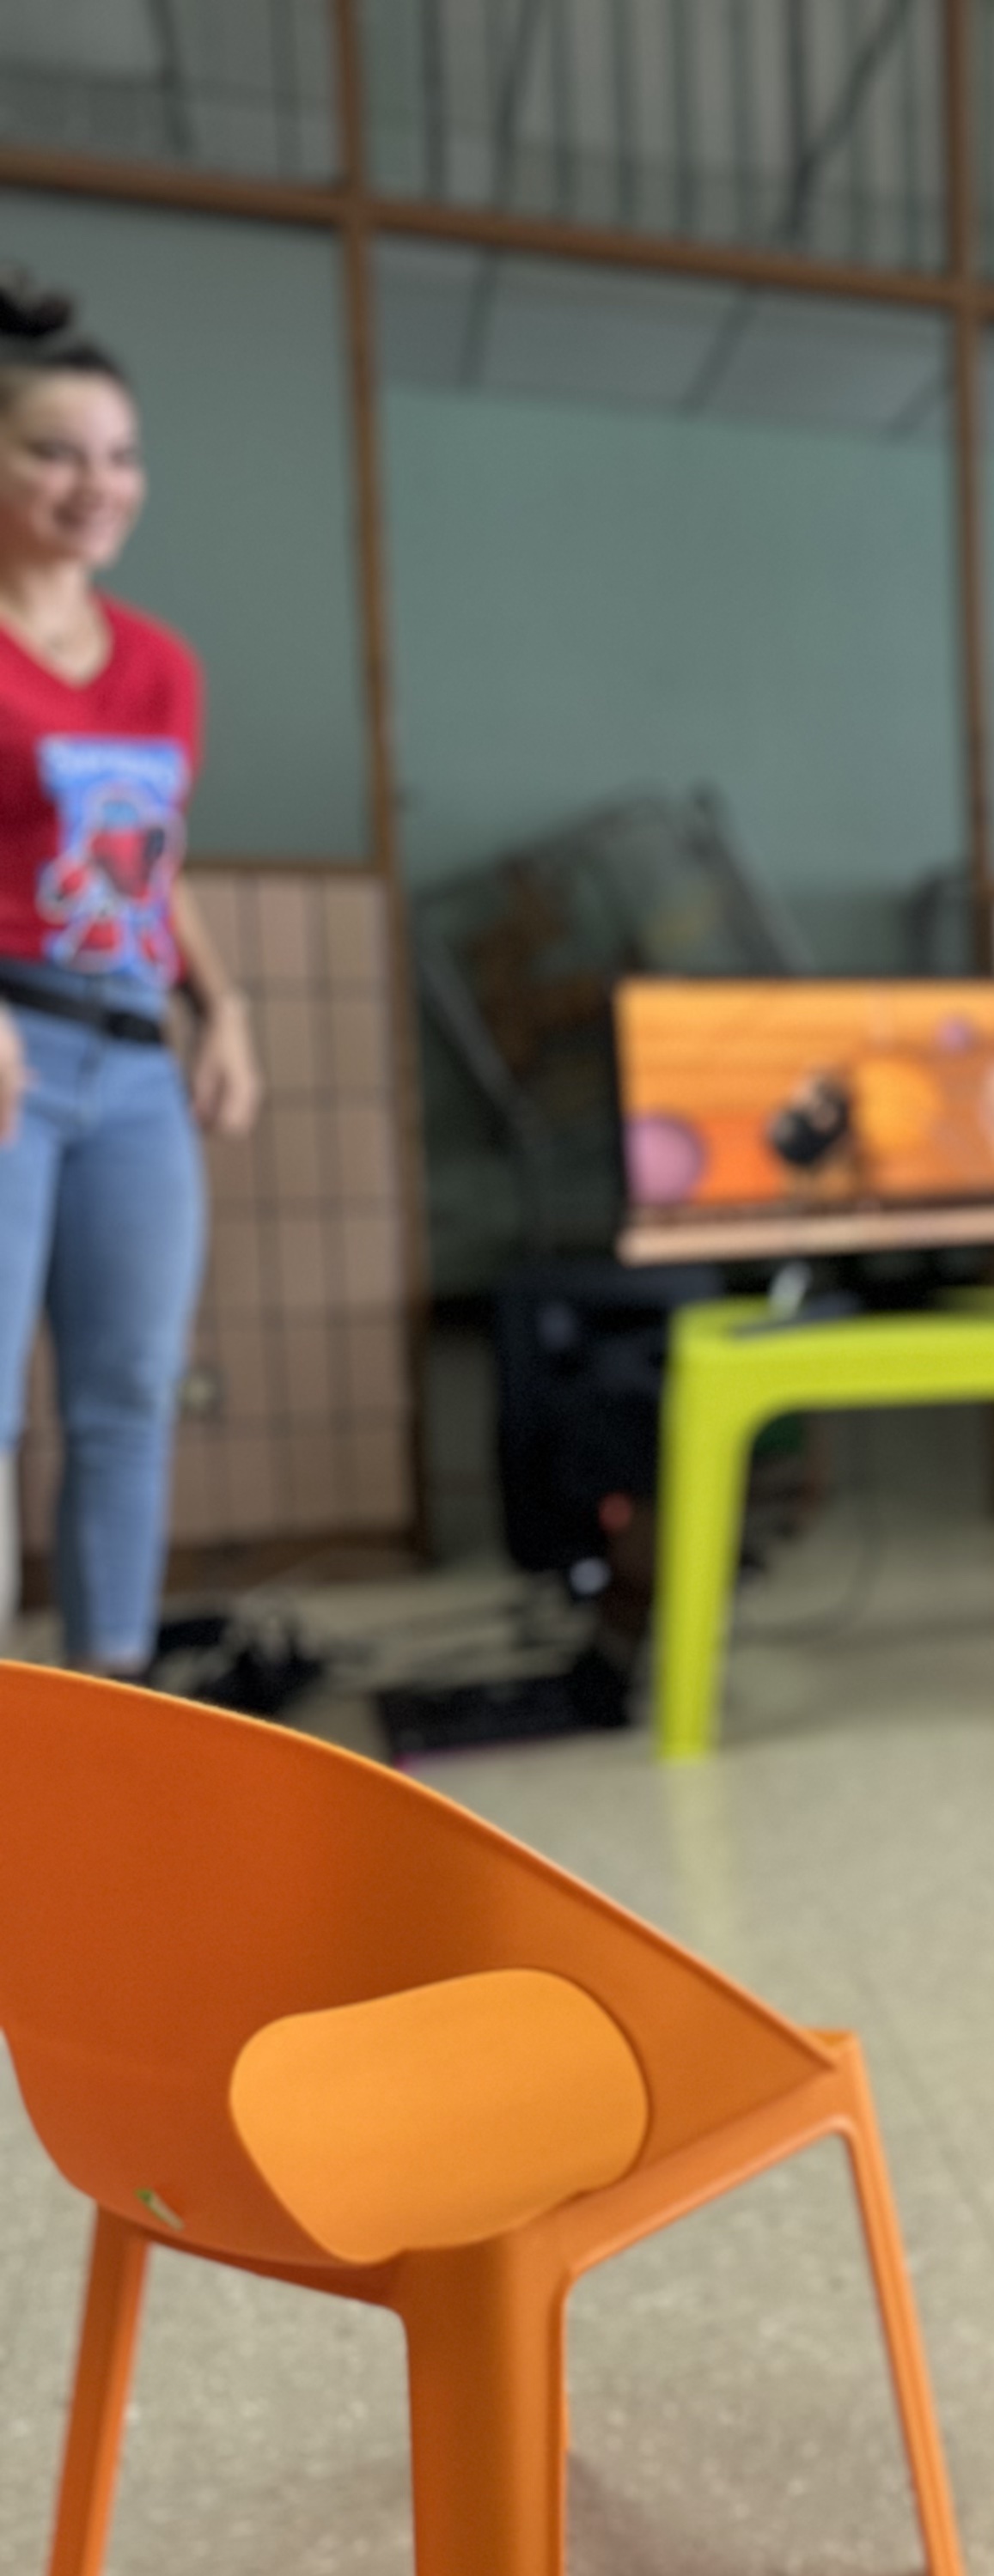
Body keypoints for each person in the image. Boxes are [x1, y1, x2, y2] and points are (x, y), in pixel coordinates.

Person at [0, 272, 259, 1674]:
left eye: (118, 454)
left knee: (128, 1398)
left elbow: (147, 863)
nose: (95, 484)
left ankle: (118, 1698)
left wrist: (223, 1008)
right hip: (7, 1059)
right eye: (54, 450)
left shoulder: (159, 664)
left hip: (135, 1061)